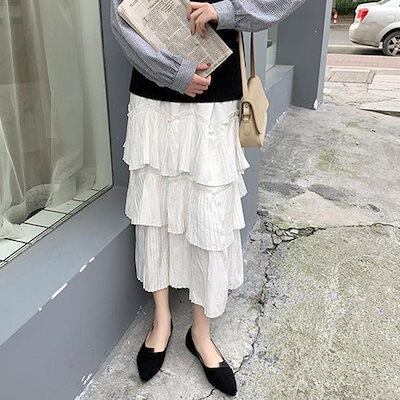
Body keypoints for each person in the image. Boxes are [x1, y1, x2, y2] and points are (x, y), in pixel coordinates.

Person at [110, 0, 306, 396]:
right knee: (155, 208)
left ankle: (201, 331)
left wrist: (228, 9)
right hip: (154, 89)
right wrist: (172, 72)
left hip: (216, 90)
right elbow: (120, 14)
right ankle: (162, 319)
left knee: (209, 215)